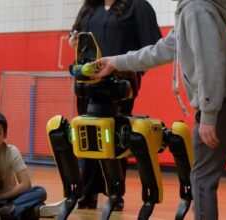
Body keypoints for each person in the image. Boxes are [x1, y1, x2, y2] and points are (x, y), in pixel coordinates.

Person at [90, 0, 226, 219]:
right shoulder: (198, 7)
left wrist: (209, 114)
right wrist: (116, 62)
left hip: (223, 103)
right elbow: (162, 50)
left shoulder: (196, 8)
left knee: (202, 179)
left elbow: (210, 65)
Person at [68, 0, 162, 211]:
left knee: (115, 137)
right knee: (88, 135)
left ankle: (115, 190)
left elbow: (153, 46)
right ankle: (88, 191)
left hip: (119, 82)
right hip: (87, 82)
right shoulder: (90, 7)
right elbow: (77, 37)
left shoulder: (137, 6)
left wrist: (133, 70)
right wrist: (73, 40)